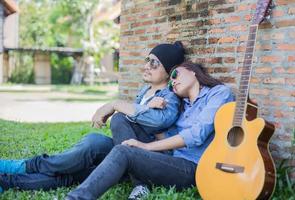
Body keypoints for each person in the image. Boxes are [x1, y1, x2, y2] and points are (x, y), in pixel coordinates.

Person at [0, 41, 186, 198]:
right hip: (123, 148)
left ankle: (9, 179)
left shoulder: (169, 96)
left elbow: (160, 121)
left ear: (169, 71)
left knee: (76, 173)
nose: (147, 66)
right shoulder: (145, 92)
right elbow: (137, 119)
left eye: (154, 63)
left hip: (146, 157)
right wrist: (143, 107)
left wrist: (117, 105)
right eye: (148, 60)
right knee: (92, 142)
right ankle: (21, 168)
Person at [65, 62, 235, 200]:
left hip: (192, 167)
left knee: (123, 152)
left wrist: (144, 147)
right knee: (119, 119)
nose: (173, 82)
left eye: (176, 75)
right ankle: (138, 184)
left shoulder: (219, 93)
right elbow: (166, 134)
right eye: (170, 82)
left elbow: (197, 135)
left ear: (193, 71)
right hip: (170, 157)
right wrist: (145, 109)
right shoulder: (181, 106)